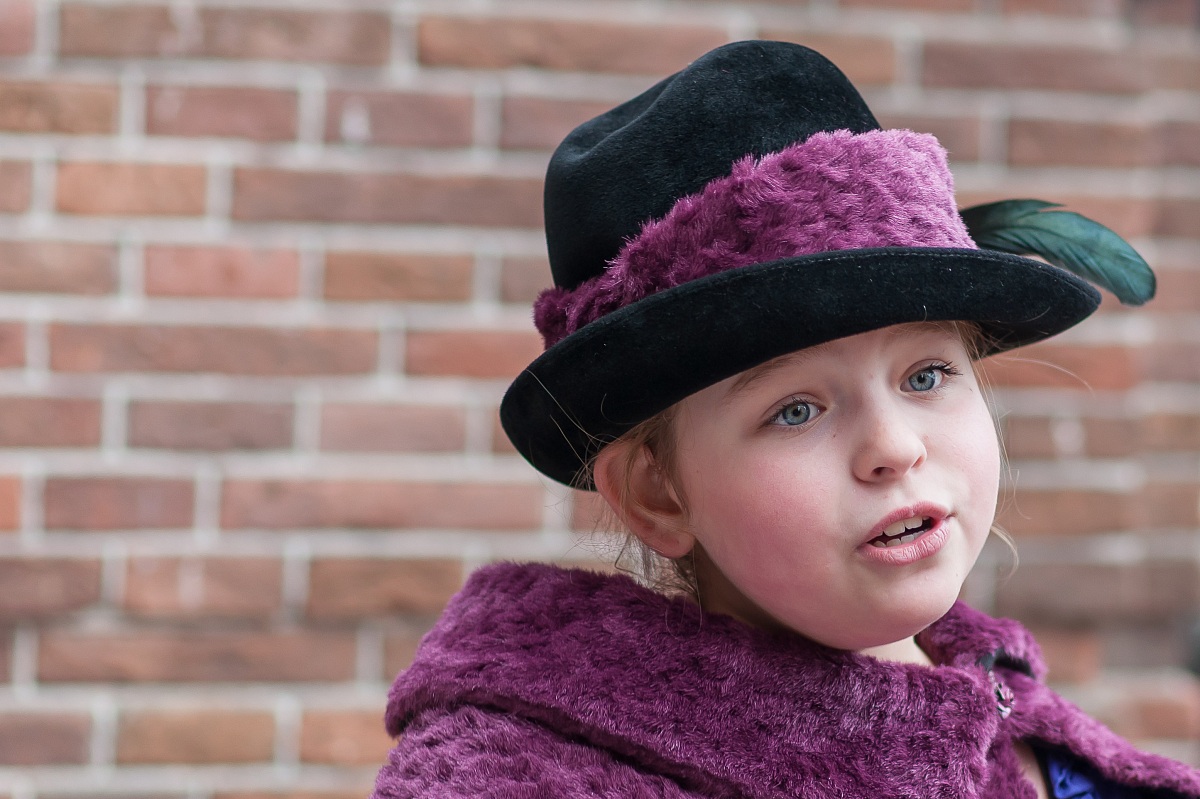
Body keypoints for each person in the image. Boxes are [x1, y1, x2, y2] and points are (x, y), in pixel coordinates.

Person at [371, 41, 1200, 798]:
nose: (894, 446)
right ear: (658, 492)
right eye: (796, 409)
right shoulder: (512, 778)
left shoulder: (1045, 747)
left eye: (927, 374)